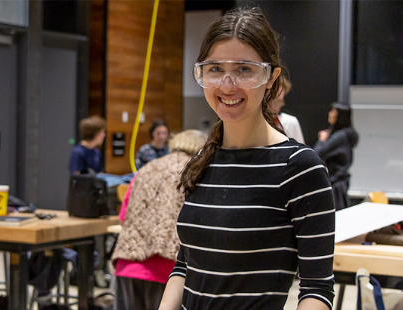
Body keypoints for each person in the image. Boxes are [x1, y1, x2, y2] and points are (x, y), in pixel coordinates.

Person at [159, 8, 335, 310]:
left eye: (244, 69)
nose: (227, 85)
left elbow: (317, 288)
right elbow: (185, 265)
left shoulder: (300, 168)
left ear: (271, 78)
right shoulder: (204, 159)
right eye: (215, 69)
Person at [112, 130, 207, 310]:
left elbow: (123, 217)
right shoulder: (196, 172)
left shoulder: (146, 169)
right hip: (171, 272)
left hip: (127, 265)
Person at [313, 102, 359, 210]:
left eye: (333, 111)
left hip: (335, 187)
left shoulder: (339, 137)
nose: (330, 114)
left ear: (340, 115)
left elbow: (316, 154)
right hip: (339, 184)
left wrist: (321, 141)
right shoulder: (344, 134)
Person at [268, 75, 305, 143]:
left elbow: (301, 151)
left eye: (279, 101)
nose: (277, 96)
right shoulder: (255, 122)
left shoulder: (290, 122)